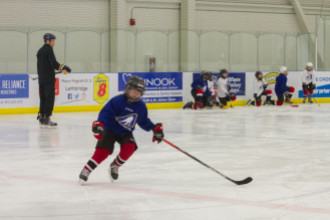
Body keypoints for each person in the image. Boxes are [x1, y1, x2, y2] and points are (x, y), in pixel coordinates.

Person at [79, 76, 164, 184]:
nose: (135, 94)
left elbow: (143, 121)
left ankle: (115, 165)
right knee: (103, 151)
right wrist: (99, 124)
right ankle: (87, 169)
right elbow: (105, 114)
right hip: (110, 129)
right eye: (134, 91)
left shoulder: (141, 106)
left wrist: (154, 128)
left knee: (130, 147)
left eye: (139, 92)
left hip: (125, 132)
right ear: (128, 89)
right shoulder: (117, 101)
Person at [37, 33, 71, 126]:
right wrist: (63, 67)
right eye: (52, 41)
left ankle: (42, 116)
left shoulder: (40, 51)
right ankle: (47, 118)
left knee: (43, 98)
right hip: (48, 80)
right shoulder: (49, 50)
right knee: (49, 99)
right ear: (47, 41)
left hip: (41, 79)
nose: (54, 43)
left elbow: (41, 66)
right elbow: (54, 63)